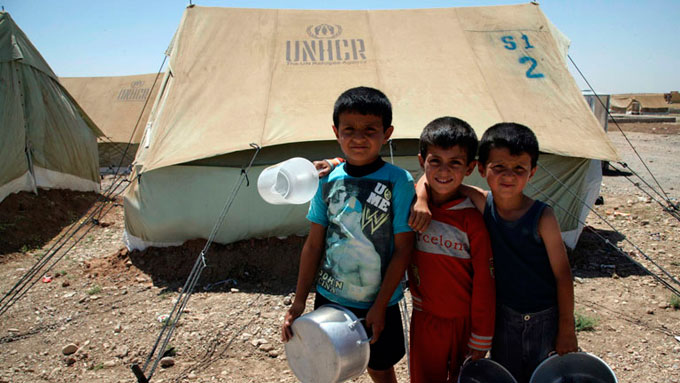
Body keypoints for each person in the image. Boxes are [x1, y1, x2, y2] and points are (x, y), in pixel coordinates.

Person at [411, 122, 579, 383]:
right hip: (503, 316)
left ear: (532, 172)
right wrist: (421, 199)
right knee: (505, 376)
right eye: (499, 167)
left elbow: (562, 274)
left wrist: (567, 327)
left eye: (519, 169)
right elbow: (431, 178)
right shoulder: (483, 202)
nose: (508, 176)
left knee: (541, 376)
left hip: (543, 317)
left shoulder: (542, 216)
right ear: (480, 168)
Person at [281, 86, 415, 383]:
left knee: (379, 369)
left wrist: (380, 305)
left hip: (378, 302)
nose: (358, 137)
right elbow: (314, 244)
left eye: (370, 129)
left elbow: (404, 249)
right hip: (331, 298)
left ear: (387, 133)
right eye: (349, 129)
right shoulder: (327, 179)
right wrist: (299, 301)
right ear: (336, 132)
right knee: (325, 364)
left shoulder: (399, 181)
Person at [407, 117, 495, 383]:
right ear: (422, 161)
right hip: (425, 318)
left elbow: (484, 280)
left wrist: (481, 334)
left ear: (469, 168)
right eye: (436, 161)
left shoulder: (473, 219)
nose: (444, 171)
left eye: (455, 163)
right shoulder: (412, 205)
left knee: (464, 378)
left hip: (464, 322)